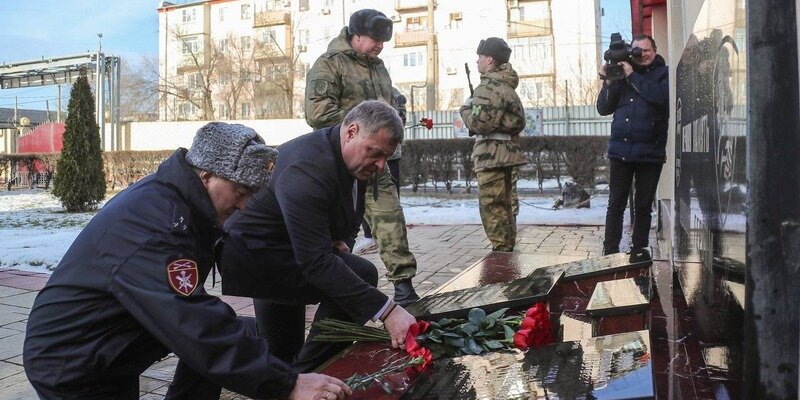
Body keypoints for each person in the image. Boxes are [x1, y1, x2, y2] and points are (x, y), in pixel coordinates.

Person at [23, 122, 352, 400]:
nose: (244, 206)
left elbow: (195, 312)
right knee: (209, 334)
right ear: (207, 175)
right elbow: (191, 322)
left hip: (112, 343)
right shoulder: (156, 224)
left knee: (241, 330)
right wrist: (289, 384)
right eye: (240, 192)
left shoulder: (183, 204)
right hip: (73, 360)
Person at [220, 101, 417, 372]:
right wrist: (388, 311)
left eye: (387, 156)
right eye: (376, 153)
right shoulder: (308, 166)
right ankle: (310, 373)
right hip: (256, 253)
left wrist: (342, 239)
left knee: (282, 351)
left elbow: (350, 209)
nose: (382, 165)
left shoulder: (353, 157)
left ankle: (279, 367)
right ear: (351, 131)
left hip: (280, 245)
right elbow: (315, 260)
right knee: (361, 273)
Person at [304, 9, 419, 306]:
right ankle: (339, 290)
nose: (380, 45)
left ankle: (405, 289)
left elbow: (389, 107)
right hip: (339, 165)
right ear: (355, 35)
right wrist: (367, 124)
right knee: (339, 231)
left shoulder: (379, 67)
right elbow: (318, 115)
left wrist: (394, 117)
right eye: (375, 38)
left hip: (374, 165)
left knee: (391, 218)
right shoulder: (329, 65)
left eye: (384, 40)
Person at [596, 34, 668, 261]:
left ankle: (639, 248)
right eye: (637, 51)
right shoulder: (621, 75)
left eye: (646, 50)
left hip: (650, 152)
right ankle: (610, 250)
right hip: (621, 151)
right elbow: (603, 108)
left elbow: (661, 98)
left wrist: (632, 75)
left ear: (654, 51)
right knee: (615, 203)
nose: (642, 55)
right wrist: (608, 81)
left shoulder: (663, 74)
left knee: (643, 205)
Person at [460, 37, 528, 252]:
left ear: (489, 60)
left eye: (480, 57)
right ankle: (506, 249)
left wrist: (466, 110)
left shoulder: (489, 85)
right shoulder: (505, 83)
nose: (477, 61)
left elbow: (483, 124)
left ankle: (502, 252)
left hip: (491, 156)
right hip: (504, 153)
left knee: (492, 205)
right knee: (504, 204)